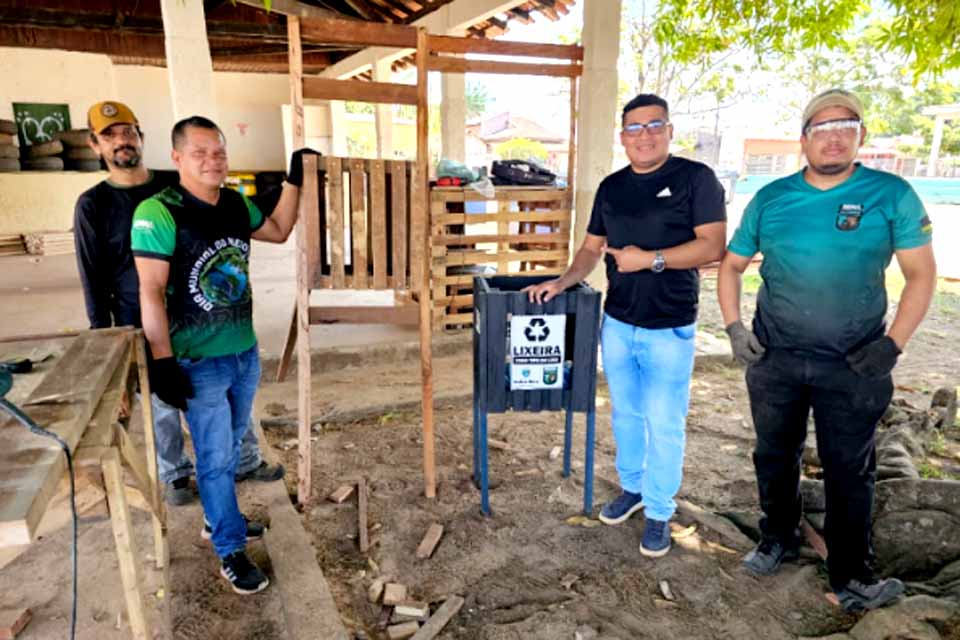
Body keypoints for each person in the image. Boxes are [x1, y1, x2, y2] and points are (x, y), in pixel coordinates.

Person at [717, 89, 936, 611]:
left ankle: (852, 572)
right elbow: (730, 265)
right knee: (774, 454)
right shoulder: (771, 199)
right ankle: (778, 538)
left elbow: (921, 274)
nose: (834, 136)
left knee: (849, 467)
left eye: (847, 126)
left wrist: (892, 345)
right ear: (803, 140)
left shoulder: (892, 193)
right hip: (775, 357)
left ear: (861, 136)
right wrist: (732, 327)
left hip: (856, 362)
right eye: (821, 128)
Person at [526, 94, 727, 557]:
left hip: (669, 326)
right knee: (627, 415)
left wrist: (650, 260)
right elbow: (591, 248)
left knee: (665, 421)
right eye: (634, 128)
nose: (645, 135)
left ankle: (659, 510)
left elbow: (712, 247)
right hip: (617, 322)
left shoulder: (695, 179)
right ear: (623, 137)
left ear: (670, 130)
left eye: (654, 125)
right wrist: (562, 281)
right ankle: (634, 489)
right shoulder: (612, 187)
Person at [132, 115, 312, 594]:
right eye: (200, 153)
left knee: (229, 449)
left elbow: (276, 229)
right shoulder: (159, 212)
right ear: (176, 158)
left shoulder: (234, 203)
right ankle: (230, 548)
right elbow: (150, 291)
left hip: (242, 352)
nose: (212, 161)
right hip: (196, 360)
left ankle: (218, 518)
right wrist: (162, 359)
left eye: (219, 152)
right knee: (213, 459)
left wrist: (294, 181)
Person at [74, 101, 284, 508]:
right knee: (163, 403)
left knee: (228, 397)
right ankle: (174, 474)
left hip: (197, 314)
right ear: (94, 145)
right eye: (110, 136)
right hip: (139, 318)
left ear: (141, 137)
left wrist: (279, 190)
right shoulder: (93, 204)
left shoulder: (174, 184)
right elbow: (92, 279)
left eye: (128, 132)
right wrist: (105, 341)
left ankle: (242, 459)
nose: (122, 141)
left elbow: (225, 212)